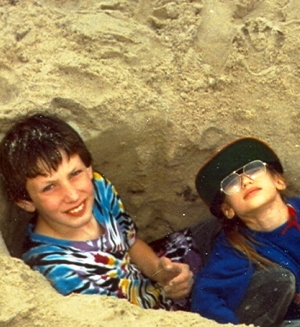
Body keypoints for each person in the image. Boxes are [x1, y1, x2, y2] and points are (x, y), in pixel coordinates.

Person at [0, 113, 197, 311]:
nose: (72, 195)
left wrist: (162, 275)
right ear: (26, 202)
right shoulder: (60, 272)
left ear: (88, 169)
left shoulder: (99, 189)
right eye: (49, 187)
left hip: (148, 284)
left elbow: (131, 242)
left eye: (75, 174)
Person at [190, 136, 300, 327]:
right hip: (284, 326)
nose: (246, 181)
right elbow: (205, 296)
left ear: (279, 181)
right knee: (279, 279)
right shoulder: (235, 247)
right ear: (228, 209)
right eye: (231, 182)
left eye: (254, 169)